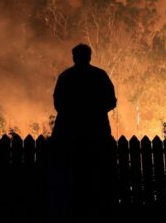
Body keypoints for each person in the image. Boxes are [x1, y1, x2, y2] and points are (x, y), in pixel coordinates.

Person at [49, 44, 117, 222]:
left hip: (68, 136)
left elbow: (58, 104)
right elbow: (111, 101)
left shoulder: (66, 77)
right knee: (97, 180)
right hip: (97, 134)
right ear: (89, 57)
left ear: (74, 57)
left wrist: (74, 112)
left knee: (69, 182)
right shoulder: (99, 76)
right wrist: (94, 110)